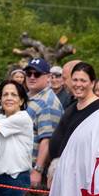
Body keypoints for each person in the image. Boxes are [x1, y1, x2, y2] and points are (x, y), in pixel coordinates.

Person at [44, 61, 99, 184]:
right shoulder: (72, 106)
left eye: (83, 81)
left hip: (80, 176)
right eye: (75, 80)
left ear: (92, 83)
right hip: (60, 170)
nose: (78, 84)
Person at [0, 80, 34, 196]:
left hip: (17, 179)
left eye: (13, 95)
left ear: (21, 100)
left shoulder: (22, 117)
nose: (9, 98)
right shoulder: (3, 119)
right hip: (2, 180)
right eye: (5, 95)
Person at [23, 58, 65, 187]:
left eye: (37, 74)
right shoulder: (30, 96)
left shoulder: (48, 103)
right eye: (29, 74)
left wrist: (37, 170)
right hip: (22, 166)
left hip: (33, 171)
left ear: (48, 77)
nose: (32, 77)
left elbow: (47, 140)